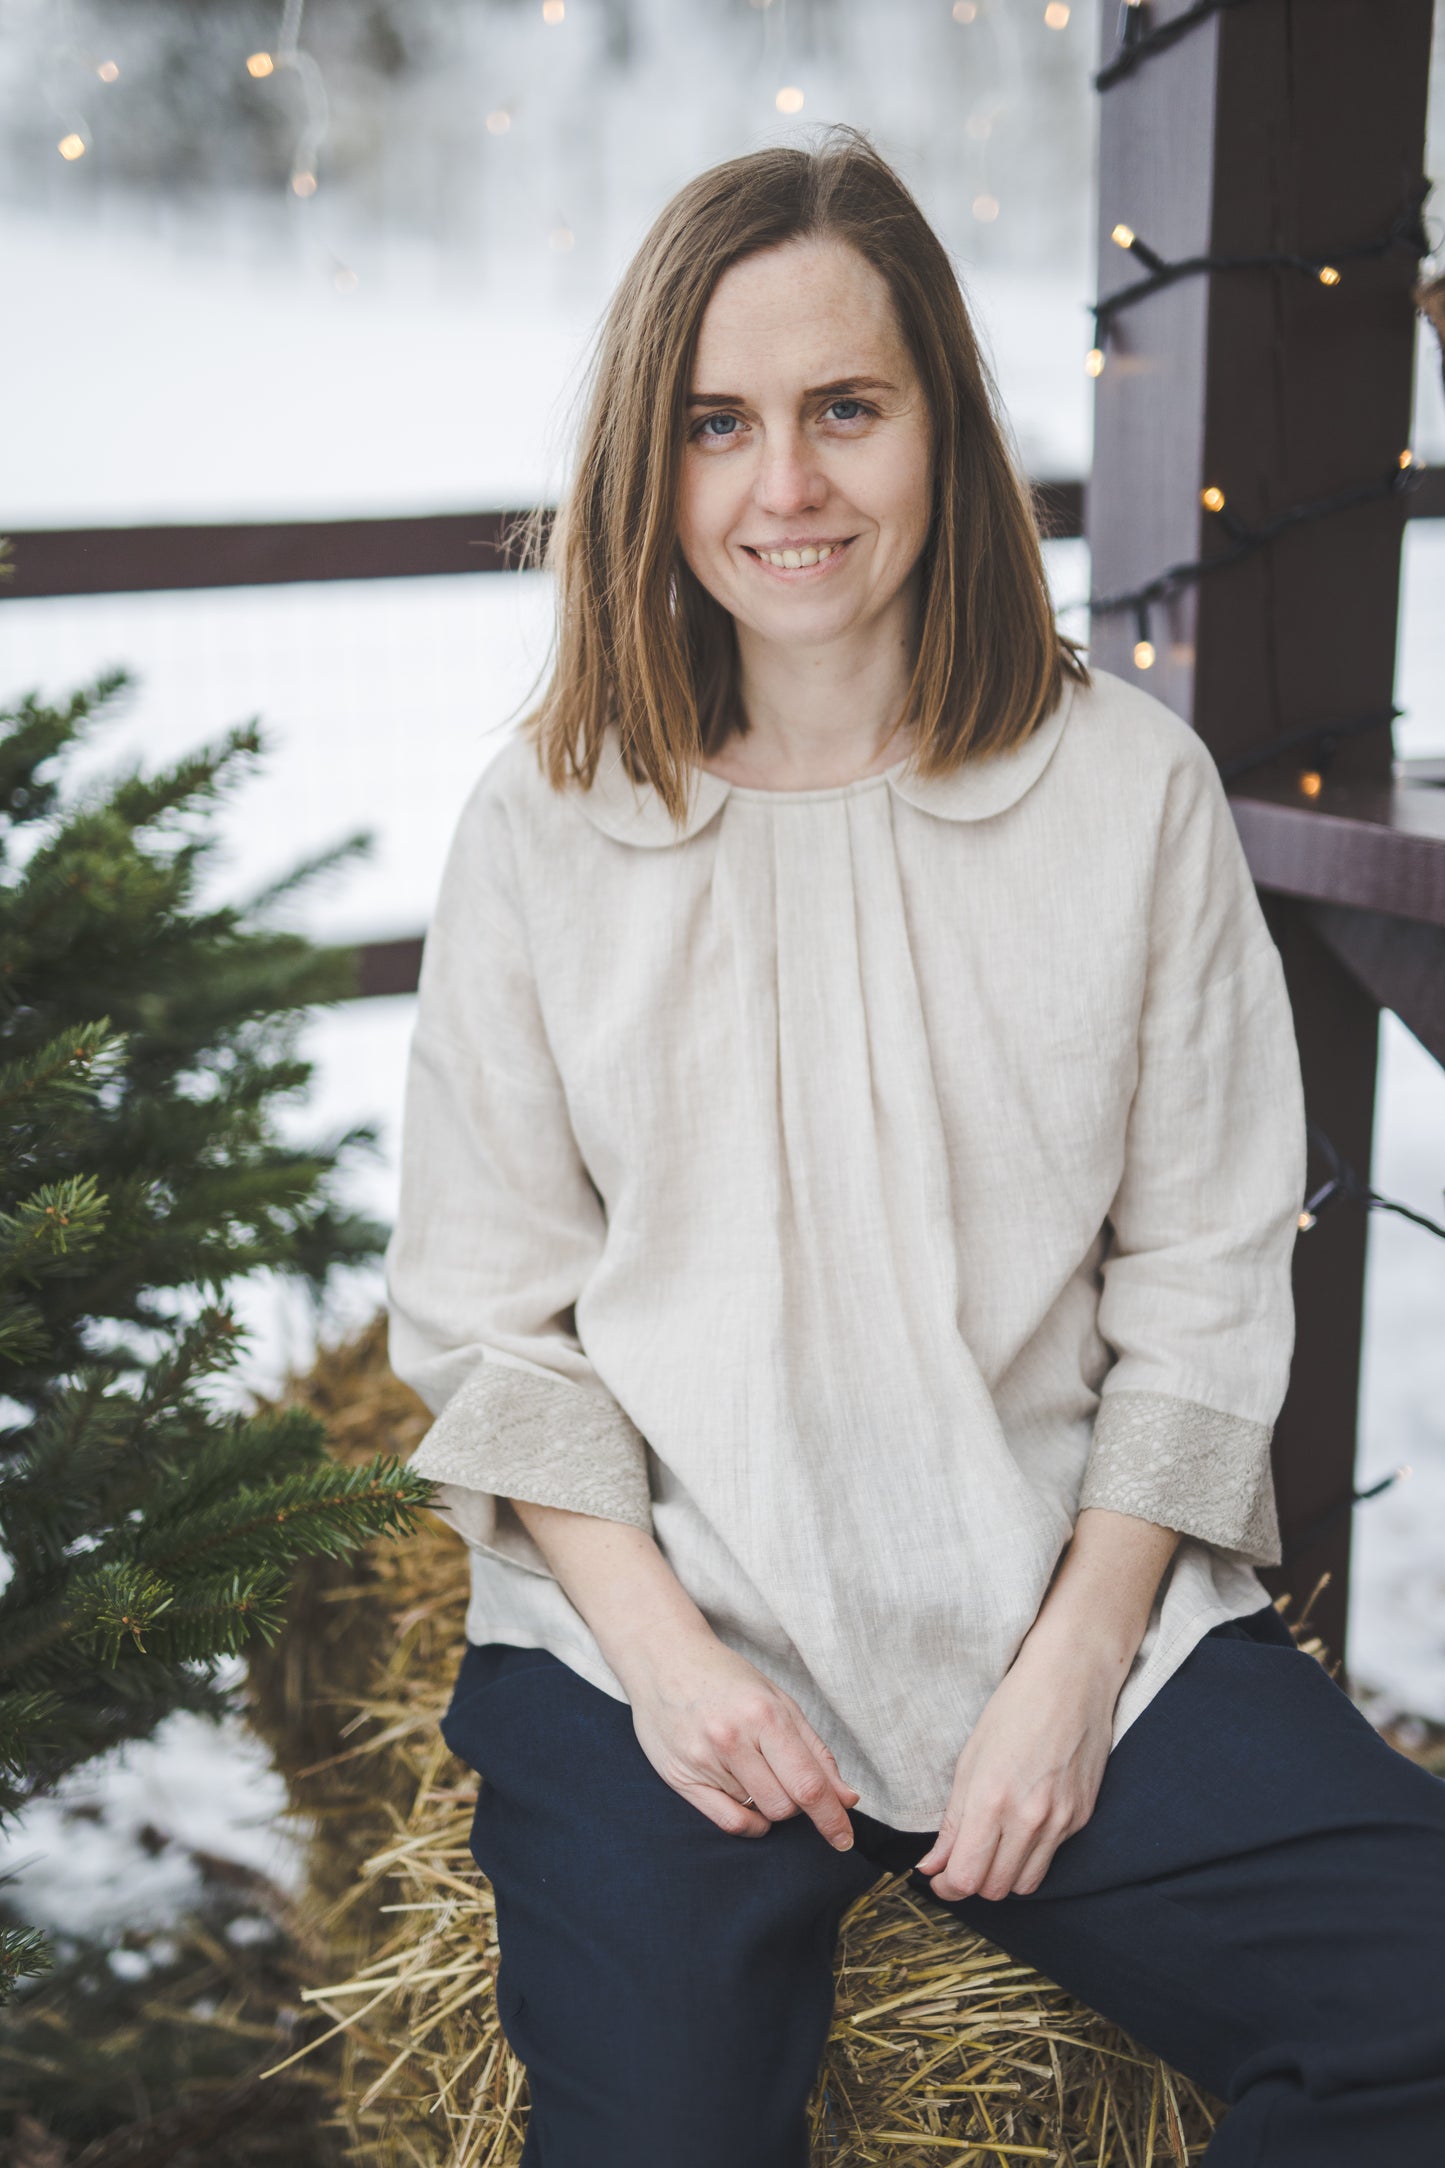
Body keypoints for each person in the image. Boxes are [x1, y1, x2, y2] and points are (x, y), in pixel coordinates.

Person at [385, 130, 1445, 2167]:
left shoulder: (1129, 794)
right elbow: (493, 1324)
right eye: (719, 424)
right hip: (660, 1648)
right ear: (651, 462)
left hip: (1051, 1599)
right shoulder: (542, 825)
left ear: (940, 427)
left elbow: (1209, 1276)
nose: (785, 488)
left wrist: (1078, 1655)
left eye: (843, 410)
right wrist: (673, 1672)